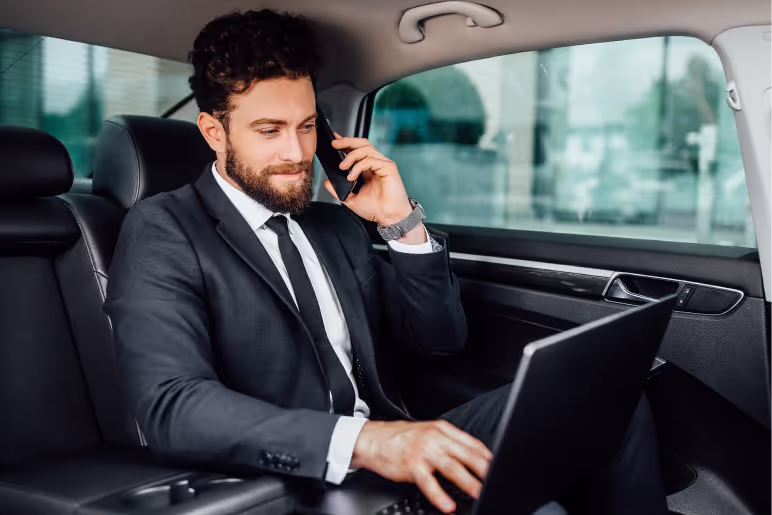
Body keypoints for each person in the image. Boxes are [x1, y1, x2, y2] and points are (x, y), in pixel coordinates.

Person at [105, 9, 668, 514]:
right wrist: (370, 442)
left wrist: (401, 223)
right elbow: (171, 406)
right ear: (213, 132)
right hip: (288, 481)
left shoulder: (332, 226)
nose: (297, 154)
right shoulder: (164, 229)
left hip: (390, 451)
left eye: (307, 127)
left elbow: (440, 341)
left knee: (610, 400)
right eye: (269, 131)